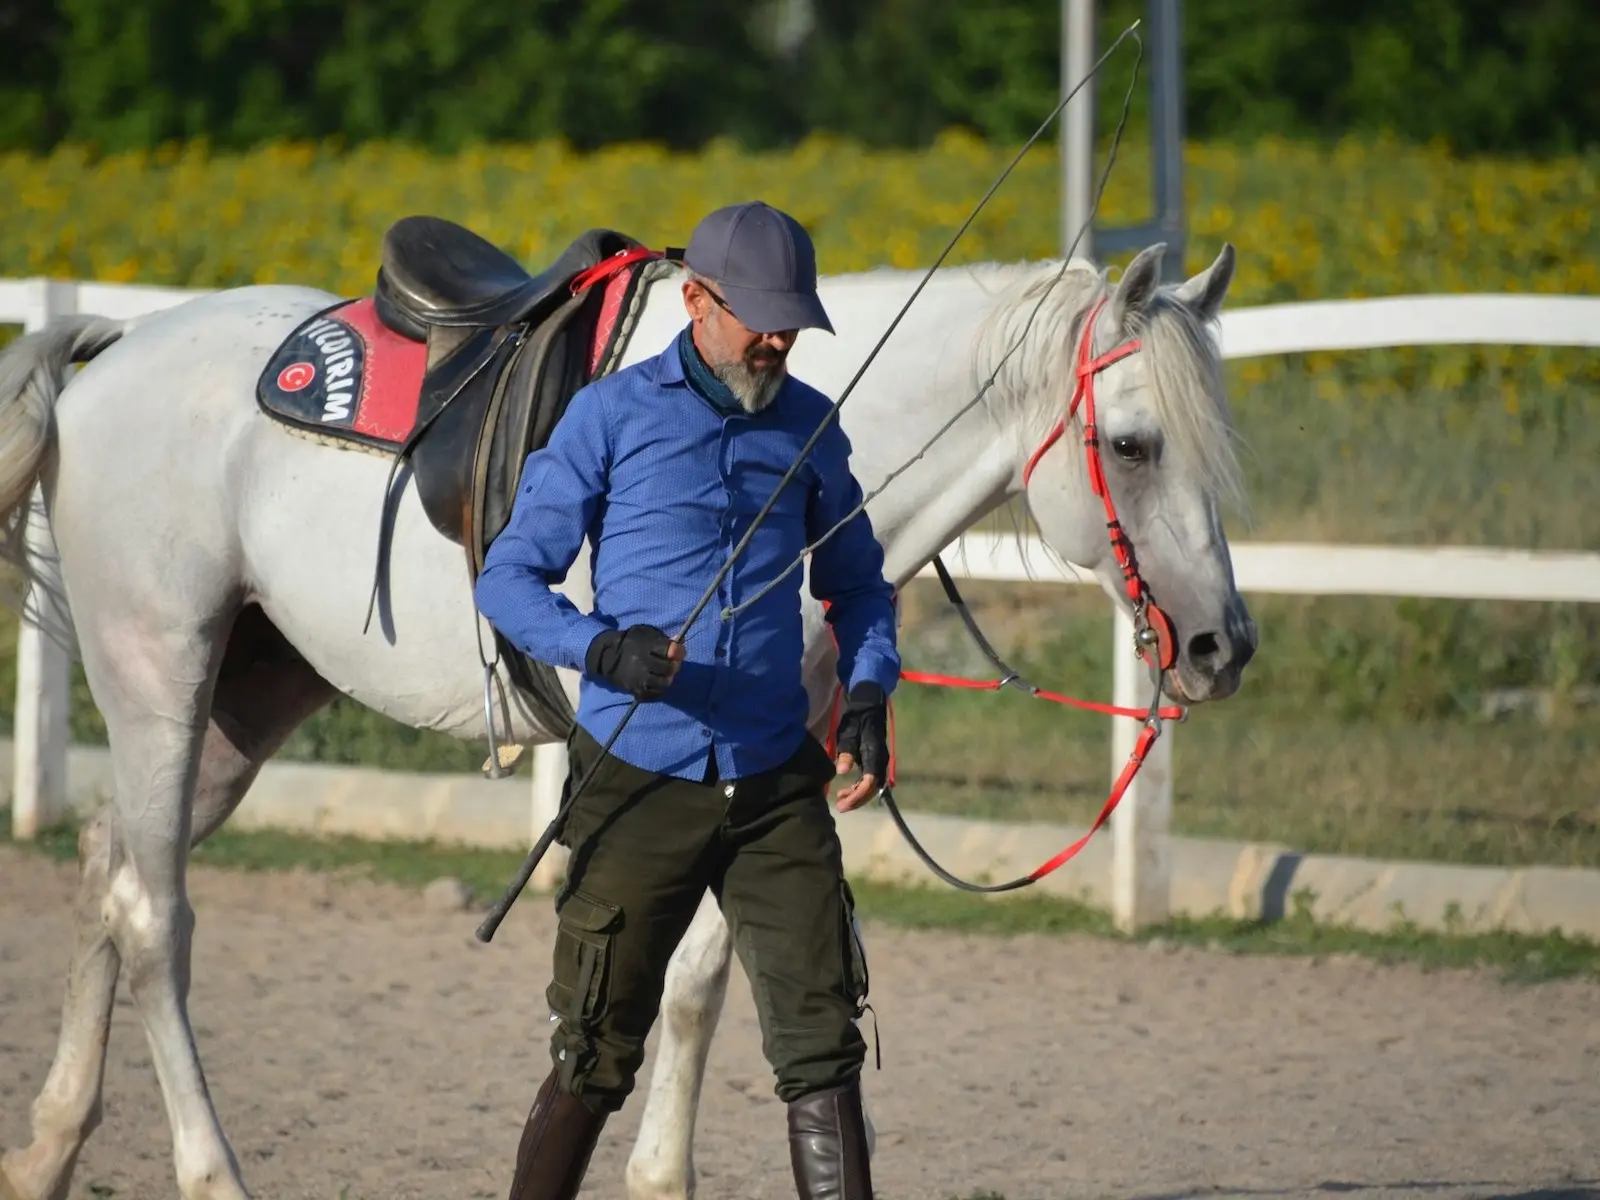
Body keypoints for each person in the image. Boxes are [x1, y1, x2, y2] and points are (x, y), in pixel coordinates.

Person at [474, 199, 900, 1200]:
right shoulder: (611, 417)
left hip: (771, 782)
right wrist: (600, 651)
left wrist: (871, 689)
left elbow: (860, 586)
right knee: (594, 1049)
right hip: (636, 777)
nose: (779, 338)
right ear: (694, 299)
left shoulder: (809, 427)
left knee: (822, 1042)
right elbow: (507, 580)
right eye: (758, 315)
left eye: (793, 317)